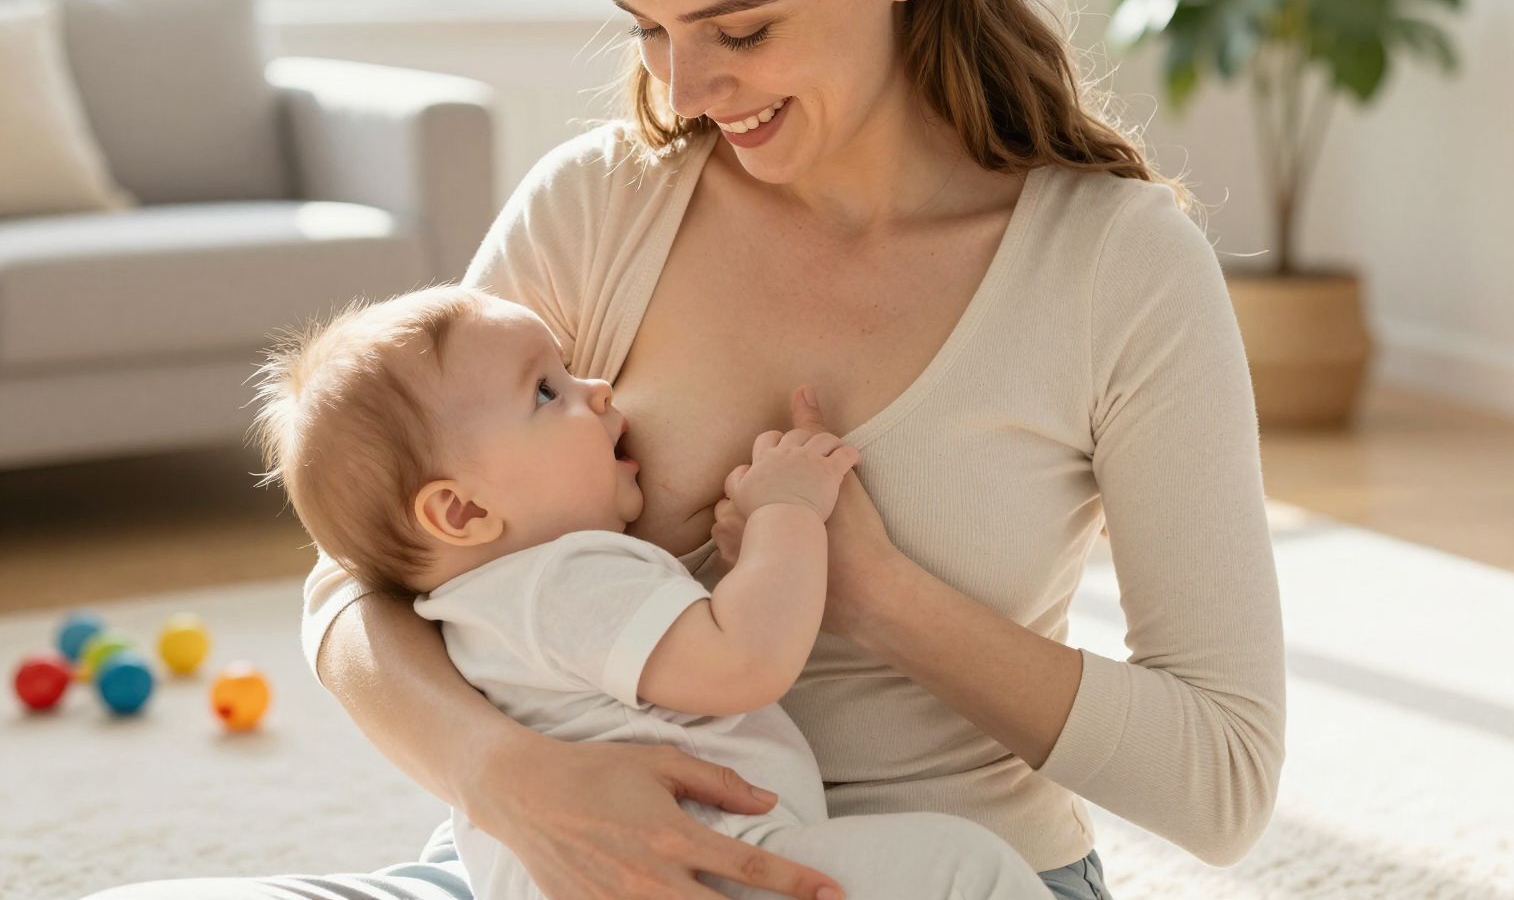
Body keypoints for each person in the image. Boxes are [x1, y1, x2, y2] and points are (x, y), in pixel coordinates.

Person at [92, 0, 1282, 897]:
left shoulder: (1113, 266)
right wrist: (508, 780)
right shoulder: (599, 203)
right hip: (568, 870)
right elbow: (356, 587)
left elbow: (1221, 783)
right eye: (645, 28)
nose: (682, 91)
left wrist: (873, 591)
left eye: (741, 29)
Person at [242, 285, 1052, 900]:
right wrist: (786, 511)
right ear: (460, 509)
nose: (596, 388)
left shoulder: (475, 612)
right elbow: (743, 662)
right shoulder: (564, 578)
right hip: (704, 865)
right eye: (546, 393)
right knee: (965, 870)